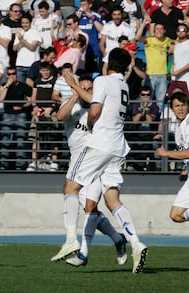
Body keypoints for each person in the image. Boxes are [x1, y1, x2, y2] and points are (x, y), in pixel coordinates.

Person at [62, 48, 148, 274]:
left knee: (70, 186)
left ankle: (71, 239)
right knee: (112, 200)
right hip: (118, 147)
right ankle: (136, 243)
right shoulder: (123, 85)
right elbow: (95, 98)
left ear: (108, 63)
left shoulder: (102, 80)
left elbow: (95, 109)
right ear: (127, 67)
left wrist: (90, 124)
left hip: (99, 144)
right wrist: (74, 84)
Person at [51, 73, 128, 265]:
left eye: (90, 89)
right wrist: (76, 93)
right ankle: (118, 239)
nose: (88, 92)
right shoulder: (73, 104)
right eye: (84, 88)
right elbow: (59, 116)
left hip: (95, 162)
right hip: (76, 164)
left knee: (90, 207)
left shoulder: (98, 109)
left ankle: (79, 249)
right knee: (90, 210)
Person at [156, 92, 189, 225]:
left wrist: (166, 153)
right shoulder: (179, 128)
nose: (180, 109)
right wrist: (185, 170)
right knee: (176, 215)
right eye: (177, 106)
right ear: (172, 109)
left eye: (183, 105)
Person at [0, 67, 33, 170]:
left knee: (21, 139)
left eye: (13, 74)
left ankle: (20, 164)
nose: (11, 76)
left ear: (17, 74)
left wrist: (22, 106)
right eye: (9, 74)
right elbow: (1, 98)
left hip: (21, 114)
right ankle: (4, 164)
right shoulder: (4, 86)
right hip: (7, 114)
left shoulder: (23, 86)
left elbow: (31, 99)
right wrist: (7, 85)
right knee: (5, 139)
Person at [26, 61, 58, 171]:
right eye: (43, 70)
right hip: (38, 111)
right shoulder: (37, 81)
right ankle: (34, 162)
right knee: (35, 136)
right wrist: (34, 106)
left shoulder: (55, 81)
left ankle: (54, 161)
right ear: (40, 71)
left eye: (47, 70)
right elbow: (34, 96)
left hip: (51, 111)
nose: (45, 73)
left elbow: (56, 96)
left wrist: (51, 108)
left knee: (53, 136)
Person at [135, 16, 172, 110]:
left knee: (160, 102)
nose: (159, 31)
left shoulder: (167, 40)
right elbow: (137, 38)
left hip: (163, 75)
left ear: (164, 31)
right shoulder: (150, 40)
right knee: (147, 101)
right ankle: (146, 123)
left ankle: (159, 122)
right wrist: (143, 24)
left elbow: (177, 43)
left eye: (161, 29)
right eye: (157, 29)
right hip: (150, 75)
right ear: (154, 31)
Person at [126, 85, 160, 171]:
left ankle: (142, 165)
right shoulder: (135, 105)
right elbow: (135, 121)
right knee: (132, 142)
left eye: (147, 95)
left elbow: (150, 121)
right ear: (140, 95)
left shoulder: (155, 107)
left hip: (148, 133)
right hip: (136, 132)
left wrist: (147, 109)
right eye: (143, 94)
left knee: (145, 144)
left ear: (150, 95)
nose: (145, 97)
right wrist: (141, 109)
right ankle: (133, 165)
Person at [99, 5, 135, 75]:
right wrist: (106, 55)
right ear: (112, 16)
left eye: (119, 14)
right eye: (114, 15)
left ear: (122, 15)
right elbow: (101, 44)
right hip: (108, 59)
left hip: (121, 60)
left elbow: (133, 46)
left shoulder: (128, 28)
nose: (117, 17)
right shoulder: (107, 26)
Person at [76, 0, 103, 74]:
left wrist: (92, 18)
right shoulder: (76, 15)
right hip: (79, 51)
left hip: (92, 51)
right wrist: (76, 19)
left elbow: (102, 30)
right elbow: (70, 30)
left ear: (90, 5)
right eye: (81, 5)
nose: (82, 7)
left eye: (84, 5)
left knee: (93, 74)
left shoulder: (96, 16)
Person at [13, 13, 41, 83]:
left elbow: (32, 47)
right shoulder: (20, 33)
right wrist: (20, 41)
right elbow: (14, 48)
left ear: (30, 23)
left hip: (32, 65)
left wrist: (22, 40)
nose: (24, 25)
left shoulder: (35, 33)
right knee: (20, 88)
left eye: (26, 23)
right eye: (22, 23)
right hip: (20, 65)